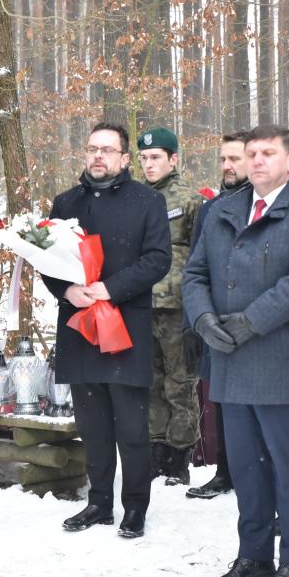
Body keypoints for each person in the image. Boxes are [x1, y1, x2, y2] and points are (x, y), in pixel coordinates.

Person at [183, 124, 289, 577]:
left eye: (268, 153)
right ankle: (252, 555)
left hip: (284, 360)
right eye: (251, 153)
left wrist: (252, 321)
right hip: (230, 359)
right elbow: (195, 273)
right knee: (247, 468)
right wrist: (202, 319)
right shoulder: (221, 210)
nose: (256, 161)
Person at [41, 121, 172, 539]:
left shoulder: (148, 201)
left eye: (107, 150)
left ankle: (134, 507)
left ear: (125, 158)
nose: (98, 156)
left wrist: (110, 289)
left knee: (131, 430)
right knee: (92, 428)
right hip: (79, 327)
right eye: (92, 148)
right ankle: (98, 502)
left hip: (125, 328)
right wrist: (67, 291)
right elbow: (47, 261)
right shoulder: (66, 202)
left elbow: (158, 259)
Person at [137, 126, 204, 486]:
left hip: (177, 307)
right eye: (144, 158)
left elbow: (201, 255)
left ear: (173, 159)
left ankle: (179, 457)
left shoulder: (190, 200)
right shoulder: (133, 199)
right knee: (150, 382)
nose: (148, 164)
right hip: (140, 305)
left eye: (156, 157)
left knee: (180, 383)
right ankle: (155, 452)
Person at [185, 131, 249, 500]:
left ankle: (254, 471)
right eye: (223, 159)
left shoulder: (264, 205)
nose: (227, 165)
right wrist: (193, 323)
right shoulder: (210, 209)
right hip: (214, 320)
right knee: (220, 398)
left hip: (254, 321)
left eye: (235, 159)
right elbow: (196, 267)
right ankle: (225, 471)